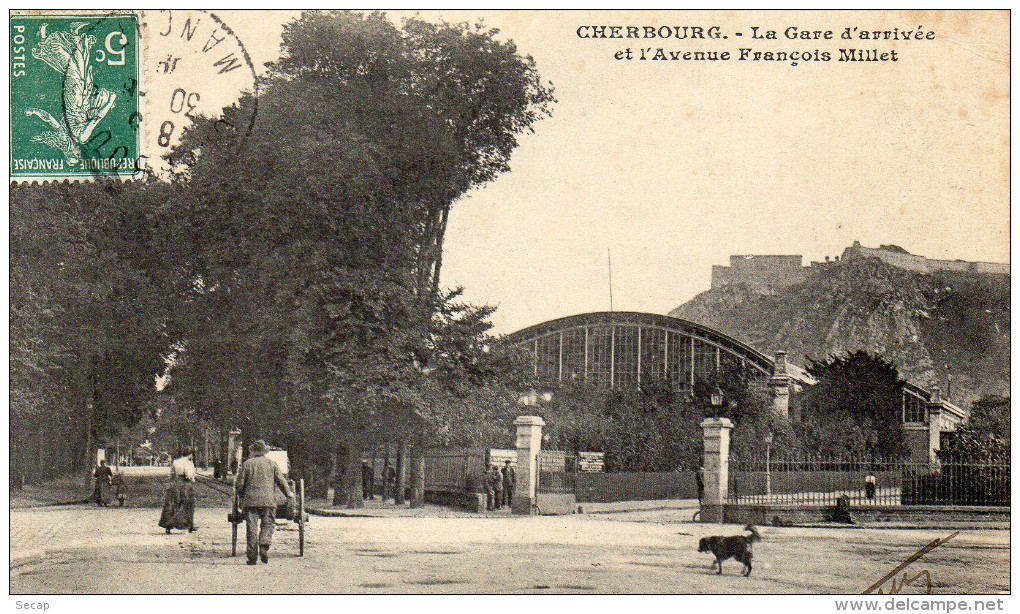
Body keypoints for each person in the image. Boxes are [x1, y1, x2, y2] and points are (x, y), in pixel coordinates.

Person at [235, 440, 294, 565]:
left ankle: (251, 557)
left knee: (251, 528)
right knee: (268, 524)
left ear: (253, 451)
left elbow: (239, 485)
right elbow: (281, 481)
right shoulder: (272, 464)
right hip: (268, 501)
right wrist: (288, 493)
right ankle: (264, 545)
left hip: (250, 502)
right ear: (264, 452)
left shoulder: (247, 464)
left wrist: (241, 494)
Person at [159, 450, 197, 534]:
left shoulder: (175, 462)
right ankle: (189, 524)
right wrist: (193, 478)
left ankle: (168, 525)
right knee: (188, 503)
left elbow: (171, 474)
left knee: (172, 503)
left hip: (175, 484)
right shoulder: (188, 463)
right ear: (190, 455)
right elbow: (188, 475)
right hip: (185, 484)